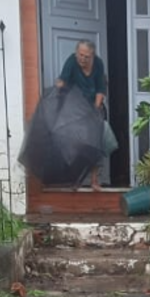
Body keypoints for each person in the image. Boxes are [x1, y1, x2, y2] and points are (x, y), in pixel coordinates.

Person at [55, 40, 109, 190]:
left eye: (86, 56)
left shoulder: (98, 64)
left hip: (93, 106)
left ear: (92, 55)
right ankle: (75, 181)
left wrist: (95, 109)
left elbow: (100, 88)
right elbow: (63, 81)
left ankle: (94, 181)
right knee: (75, 144)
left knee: (95, 144)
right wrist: (60, 86)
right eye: (80, 55)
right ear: (76, 53)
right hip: (75, 107)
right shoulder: (71, 62)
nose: (83, 59)